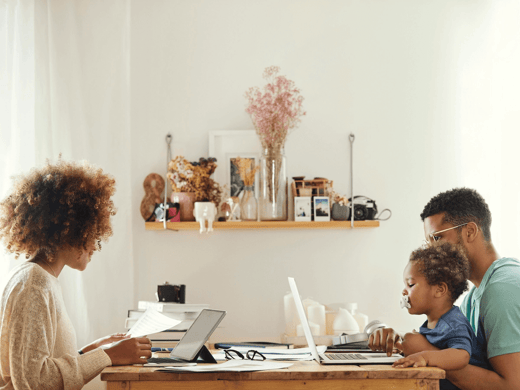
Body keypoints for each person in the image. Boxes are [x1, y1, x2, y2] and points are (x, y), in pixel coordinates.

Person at [0, 160, 152, 390]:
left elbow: (42, 365)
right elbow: (34, 382)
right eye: (92, 231)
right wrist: (107, 356)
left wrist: (94, 349)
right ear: (70, 229)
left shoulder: (42, 278)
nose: (96, 244)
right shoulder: (34, 283)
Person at [369, 188, 520, 390]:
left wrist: (425, 351)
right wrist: (402, 342)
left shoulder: (502, 291)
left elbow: (511, 386)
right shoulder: (474, 296)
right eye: (428, 241)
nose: (432, 250)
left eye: (437, 238)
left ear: (470, 231)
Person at [391, 242, 490, 390]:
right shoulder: (434, 322)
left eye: (410, 285)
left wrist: (425, 356)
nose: (404, 292)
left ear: (439, 290)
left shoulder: (453, 323)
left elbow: (461, 355)